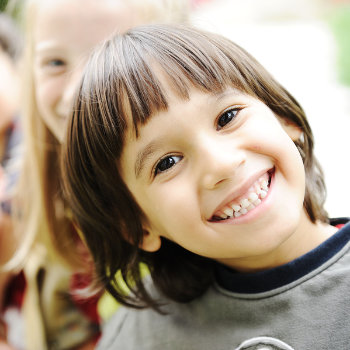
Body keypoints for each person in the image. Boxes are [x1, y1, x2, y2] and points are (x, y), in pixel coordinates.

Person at [61, 24, 350, 349]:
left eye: (227, 117)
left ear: (284, 118)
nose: (221, 164)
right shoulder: (138, 338)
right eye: (167, 162)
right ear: (137, 225)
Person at [9, 1, 189, 349]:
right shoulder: (25, 200)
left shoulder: (208, 188)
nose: (77, 90)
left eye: (113, 54)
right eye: (55, 62)